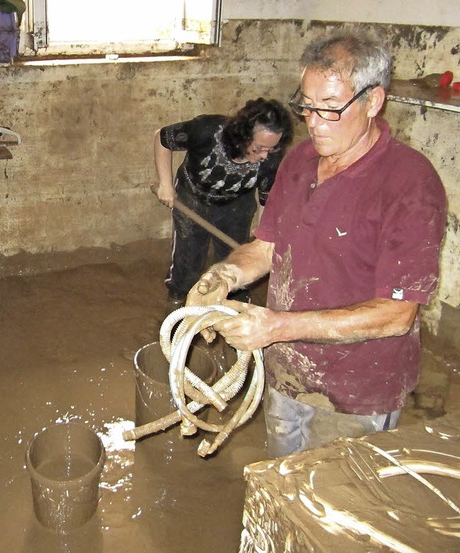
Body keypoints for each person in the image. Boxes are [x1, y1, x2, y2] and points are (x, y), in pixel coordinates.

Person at [186, 32, 447, 458]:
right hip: (287, 371)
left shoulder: (410, 185)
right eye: (307, 105)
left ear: (373, 100)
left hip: (355, 392)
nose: (314, 122)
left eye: (330, 108)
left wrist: (275, 326)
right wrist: (224, 274)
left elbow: (398, 315)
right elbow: (267, 247)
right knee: (283, 483)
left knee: (335, 508)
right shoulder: (300, 160)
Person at [154, 98, 293, 312]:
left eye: (271, 149)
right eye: (259, 148)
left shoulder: (271, 159)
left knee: (236, 257)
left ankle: (232, 303)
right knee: (189, 253)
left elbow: (267, 201)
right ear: (242, 137)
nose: (265, 155)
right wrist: (165, 184)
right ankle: (178, 298)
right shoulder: (206, 131)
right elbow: (162, 138)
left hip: (237, 205)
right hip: (192, 198)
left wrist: (260, 240)